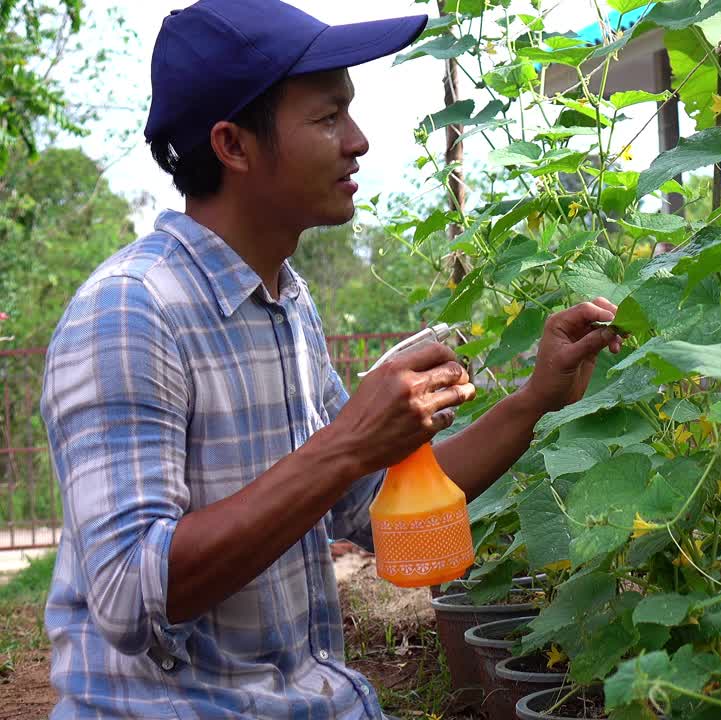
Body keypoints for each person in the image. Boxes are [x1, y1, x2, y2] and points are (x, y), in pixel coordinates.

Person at [38, 1, 622, 717]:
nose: (359, 141)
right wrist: (347, 445)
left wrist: (536, 399)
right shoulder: (131, 311)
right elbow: (130, 596)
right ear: (233, 145)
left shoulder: (285, 302)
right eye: (327, 118)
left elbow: (366, 514)